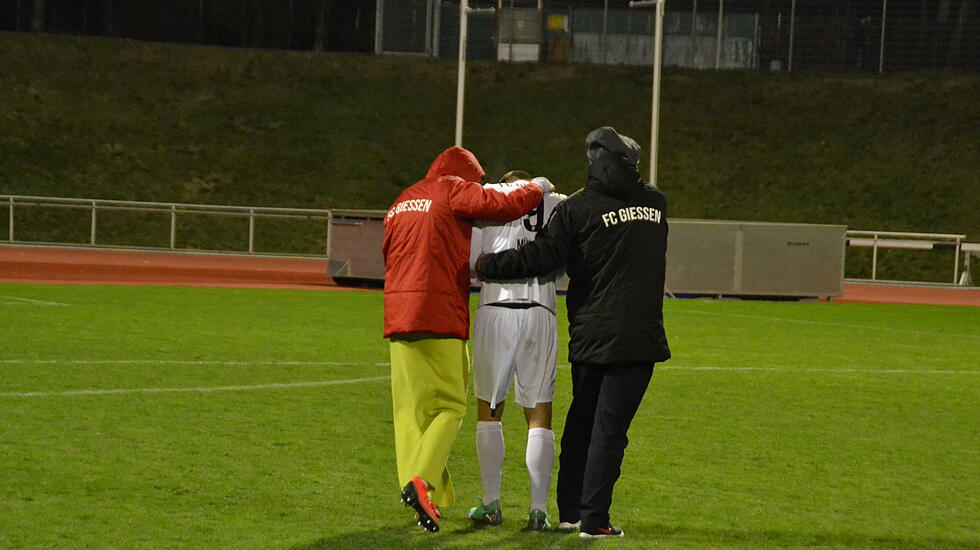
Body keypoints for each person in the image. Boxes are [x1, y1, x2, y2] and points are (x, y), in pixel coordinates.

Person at [476, 127, 671, 539]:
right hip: (637, 336)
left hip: (589, 333)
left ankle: (570, 512)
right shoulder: (655, 203)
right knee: (610, 431)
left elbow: (541, 256)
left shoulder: (579, 208)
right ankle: (594, 519)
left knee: (581, 424)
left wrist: (488, 266)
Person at [383, 146, 551, 533]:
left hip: (397, 314)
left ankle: (419, 495)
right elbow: (498, 204)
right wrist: (537, 187)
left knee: (411, 414)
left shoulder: (402, 199)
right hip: (437, 313)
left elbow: (389, 252)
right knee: (449, 407)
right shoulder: (453, 188)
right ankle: (422, 482)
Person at [466, 170, 566, 531]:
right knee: (539, 414)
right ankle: (539, 511)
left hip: (496, 309)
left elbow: (472, 262)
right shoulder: (558, 202)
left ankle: (491, 504)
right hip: (541, 310)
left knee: (490, 409)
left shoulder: (489, 197)